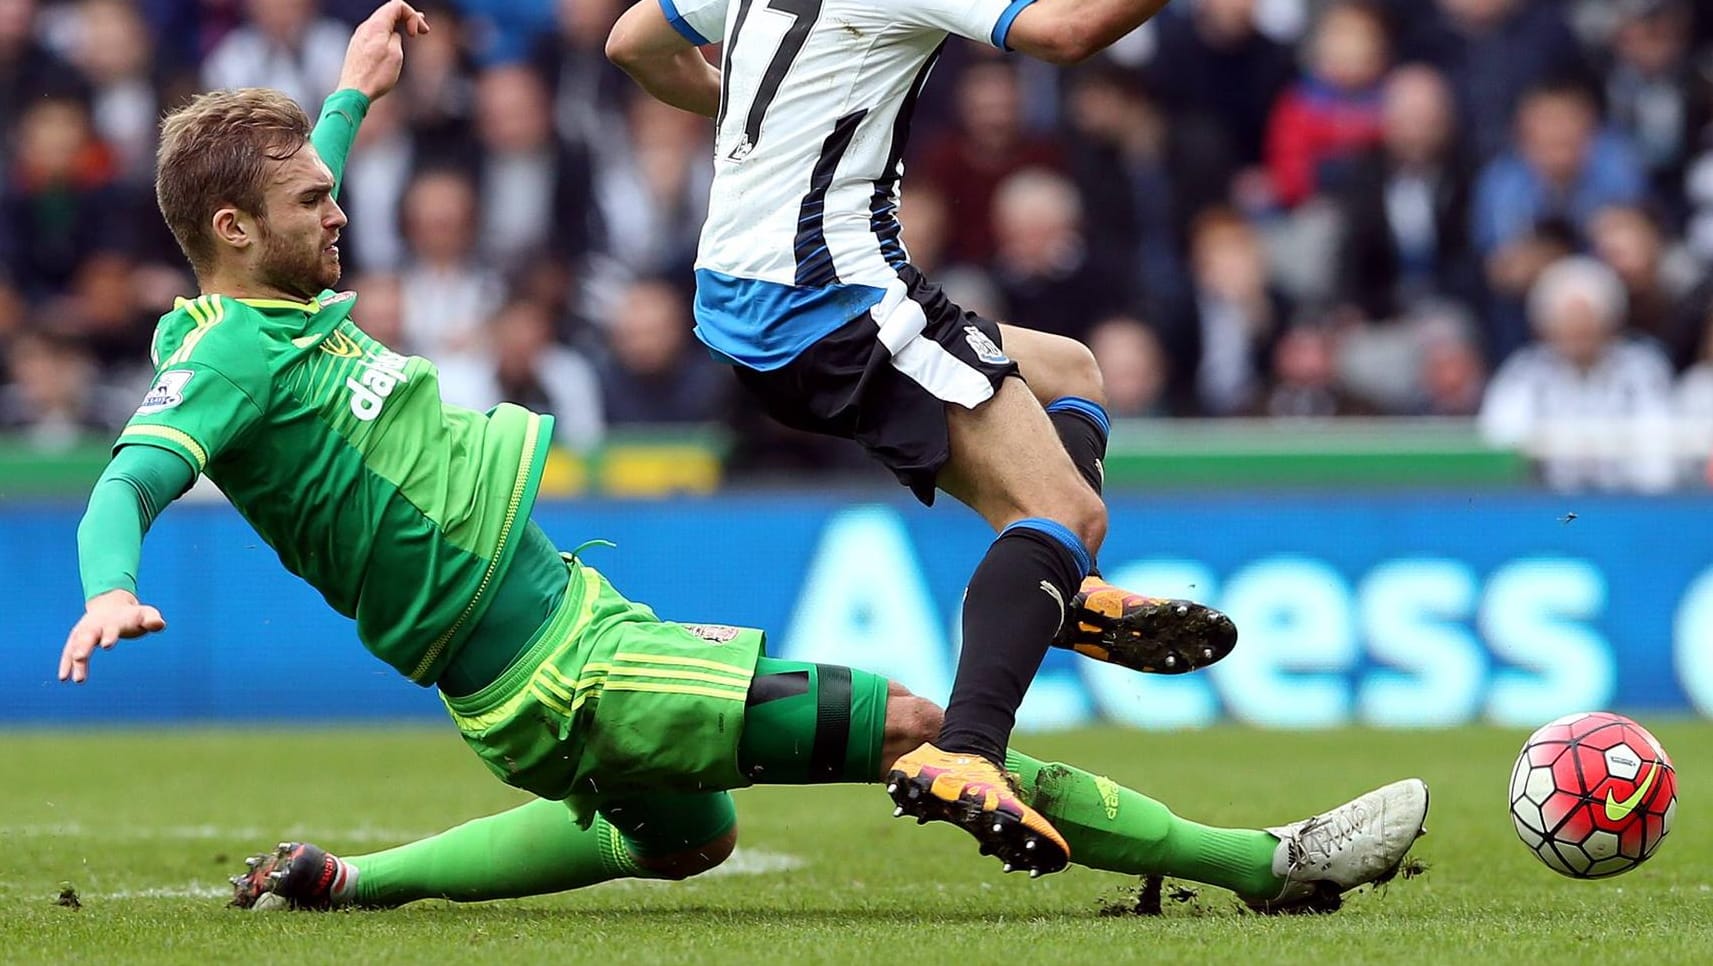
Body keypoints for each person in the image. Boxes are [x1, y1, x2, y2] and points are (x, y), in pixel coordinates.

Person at [60, 1, 1428, 916]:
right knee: (921, 727)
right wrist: (109, 585)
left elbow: (310, 179)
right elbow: (129, 476)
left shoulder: (271, 294)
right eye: (314, 201)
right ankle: (1263, 863)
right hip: (565, 672)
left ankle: (354, 880)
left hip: (560, 635)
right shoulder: (223, 361)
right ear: (235, 231)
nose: (339, 211)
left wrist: (352, 95)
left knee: (686, 838)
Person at [604, 0, 1256, 874]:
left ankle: (1069, 590)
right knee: (1064, 512)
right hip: (831, 298)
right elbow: (1063, 33)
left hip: (738, 300)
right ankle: (967, 749)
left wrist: (771, 111)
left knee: (1068, 371)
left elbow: (634, 43)